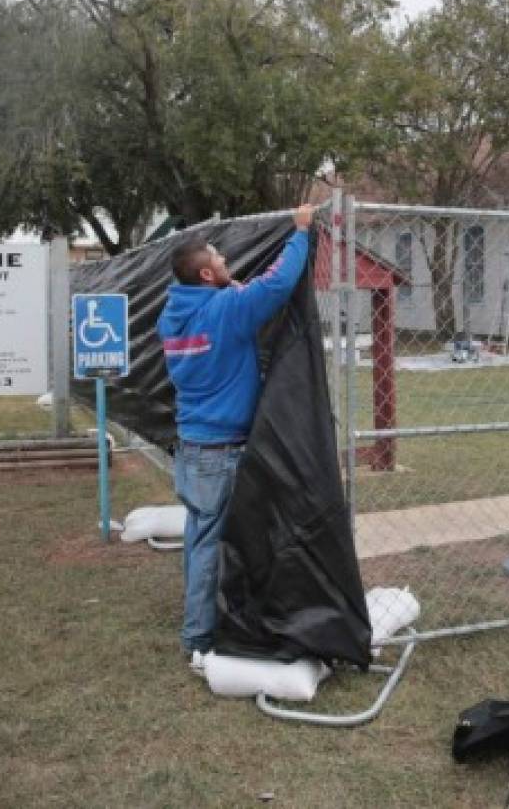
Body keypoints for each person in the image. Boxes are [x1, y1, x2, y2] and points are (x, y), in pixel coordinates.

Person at [158, 203, 315, 672]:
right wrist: (300, 232)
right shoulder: (225, 309)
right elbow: (279, 283)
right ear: (206, 275)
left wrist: (233, 292)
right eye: (221, 261)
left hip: (190, 446)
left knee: (197, 537)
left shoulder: (175, 316)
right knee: (208, 546)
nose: (229, 264)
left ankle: (199, 622)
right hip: (219, 452)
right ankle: (199, 638)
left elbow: (238, 301)